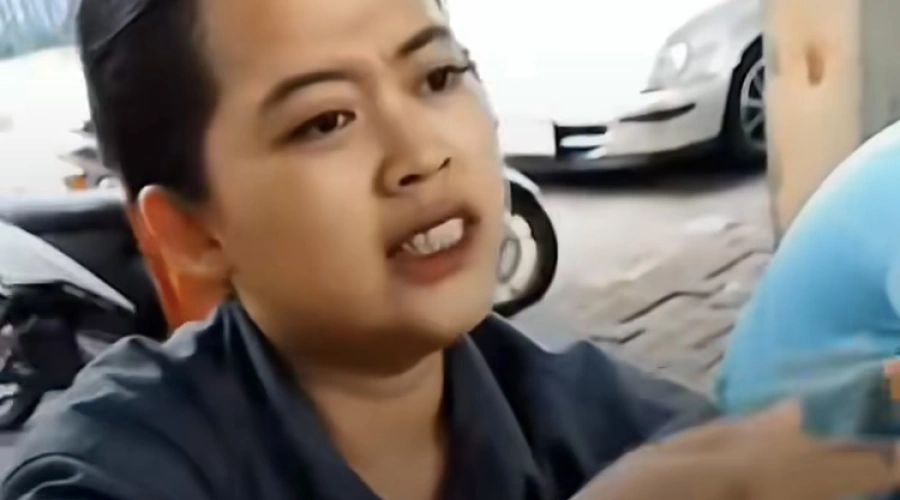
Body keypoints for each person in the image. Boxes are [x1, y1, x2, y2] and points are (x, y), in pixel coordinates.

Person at [5, 0, 900, 499]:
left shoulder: (610, 425)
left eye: (437, 76)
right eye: (325, 120)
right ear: (193, 235)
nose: (421, 152)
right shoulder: (108, 475)